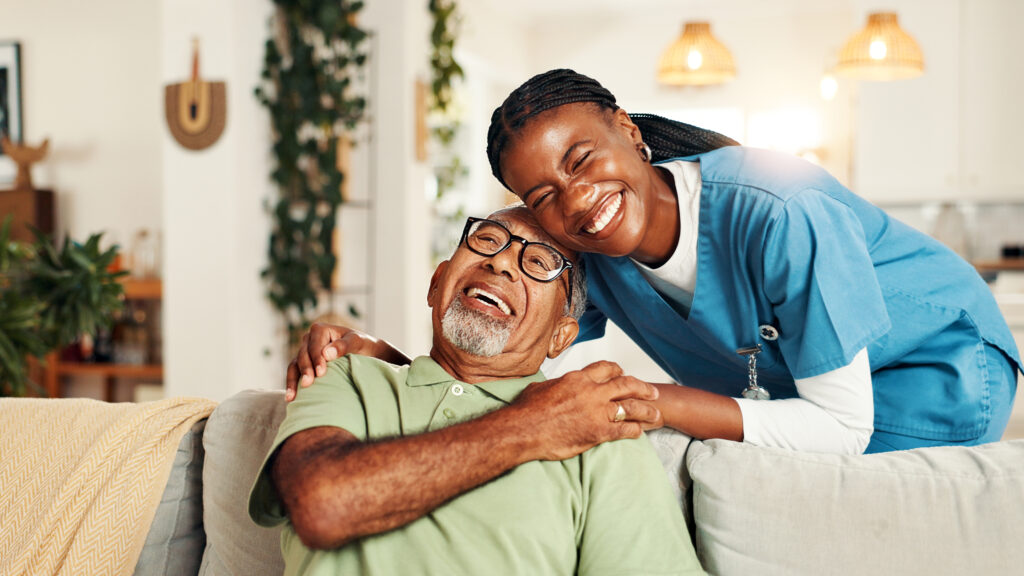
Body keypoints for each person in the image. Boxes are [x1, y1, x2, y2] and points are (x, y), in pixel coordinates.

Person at [289, 69, 1020, 455]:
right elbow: (498, 375)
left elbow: (839, 428)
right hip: (798, 394)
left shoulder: (778, 209)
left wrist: (655, 402)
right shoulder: (590, 253)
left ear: (629, 132)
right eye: (543, 194)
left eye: (582, 159)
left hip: (934, 366)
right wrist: (371, 355)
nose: (578, 201)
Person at [250, 206, 706, 575]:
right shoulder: (348, 374)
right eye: (487, 240)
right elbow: (321, 504)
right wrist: (531, 426)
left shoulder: (599, 434)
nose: (502, 261)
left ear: (561, 337)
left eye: (540, 264)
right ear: (436, 284)